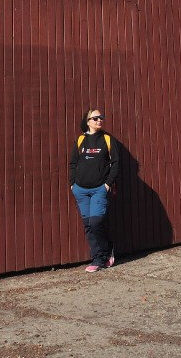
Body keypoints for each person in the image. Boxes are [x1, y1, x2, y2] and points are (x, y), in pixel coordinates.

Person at [69, 108, 121, 272]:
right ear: (88, 121)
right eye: (95, 118)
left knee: (96, 221)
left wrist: (107, 184)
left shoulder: (107, 139)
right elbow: (73, 163)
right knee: (88, 225)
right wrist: (73, 184)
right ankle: (98, 258)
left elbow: (116, 163)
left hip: (99, 189)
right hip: (81, 190)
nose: (99, 120)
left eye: (101, 117)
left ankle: (106, 250)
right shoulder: (80, 140)